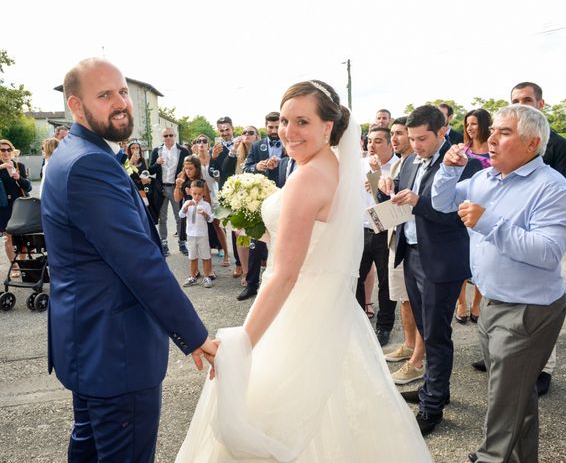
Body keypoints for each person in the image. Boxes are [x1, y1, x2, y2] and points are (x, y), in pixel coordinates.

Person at [176, 80, 432, 462]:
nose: (288, 132)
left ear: (328, 127)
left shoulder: (308, 177)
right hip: (329, 310)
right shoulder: (331, 166)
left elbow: (285, 273)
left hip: (296, 312)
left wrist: (243, 345)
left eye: (302, 122)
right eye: (283, 121)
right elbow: (315, 235)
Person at [41, 58, 217, 462]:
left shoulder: (74, 152)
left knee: (87, 447)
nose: (120, 102)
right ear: (76, 105)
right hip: (114, 347)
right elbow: (140, 262)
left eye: (122, 92)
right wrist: (195, 335)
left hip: (87, 341)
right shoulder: (89, 163)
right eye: (104, 95)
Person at [432, 104, 566, 463]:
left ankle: (490, 457)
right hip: (493, 304)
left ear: (532, 143)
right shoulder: (484, 178)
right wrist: (448, 170)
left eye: (504, 132)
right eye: (492, 131)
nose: (490, 139)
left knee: (502, 402)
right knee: (518, 399)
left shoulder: (552, 188)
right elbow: (443, 202)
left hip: (528, 310)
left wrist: (488, 222)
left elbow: (547, 252)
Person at [378, 105, 483, 435]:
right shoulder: (409, 160)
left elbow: (455, 215)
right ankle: (436, 390)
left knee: (437, 334)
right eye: (411, 138)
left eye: (422, 138)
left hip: (442, 260)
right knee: (425, 328)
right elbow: (404, 200)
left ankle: (432, 406)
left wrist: (416, 202)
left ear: (442, 131)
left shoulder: (462, 164)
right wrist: (389, 191)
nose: (415, 144)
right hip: (412, 255)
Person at [383, 117, 426, 386]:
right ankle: (409, 345)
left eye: (401, 133)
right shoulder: (406, 162)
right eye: (395, 134)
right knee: (405, 298)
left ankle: (418, 360)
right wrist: (383, 187)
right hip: (399, 238)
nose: (397, 138)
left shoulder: (424, 161)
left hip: (421, 243)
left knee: (421, 303)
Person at [356, 126, 399, 346]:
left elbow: (395, 201)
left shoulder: (398, 166)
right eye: (369, 141)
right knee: (356, 278)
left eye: (378, 141)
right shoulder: (359, 165)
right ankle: (358, 322)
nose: (371, 145)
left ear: (390, 144)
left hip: (386, 231)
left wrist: (378, 175)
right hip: (362, 229)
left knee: (386, 282)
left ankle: (384, 326)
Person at [237, 112, 282, 301]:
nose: (273, 131)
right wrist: (258, 167)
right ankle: (252, 284)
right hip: (261, 200)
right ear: (265, 126)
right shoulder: (256, 146)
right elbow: (246, 168)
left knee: (281, 243)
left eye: (277, 127)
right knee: (255, 243)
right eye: (270, 127)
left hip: (284, 198)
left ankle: (282, 285)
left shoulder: (291, 145)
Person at [455, 108, 493, 325]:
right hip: (463, 207)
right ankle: (461, 302)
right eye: (467, 124)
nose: (470, 128)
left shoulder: (494, 148)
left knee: (482, 257)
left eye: (475, 123)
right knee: (463, 259)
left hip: (485, 210)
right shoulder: (463, 150)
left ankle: (476, 302)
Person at [0, 139, 32, 278]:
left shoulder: (19, 165)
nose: (6, 152)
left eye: (8, 150)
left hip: (20, 206)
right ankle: (14, 265)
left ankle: (22, 264)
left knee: (24, 239)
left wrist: (19, 178)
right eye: (2, 150)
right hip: (4, 206)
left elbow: (28, 187)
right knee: (9, 238)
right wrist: (0, 169)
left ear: (12, 151)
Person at [221, 125, 260, 284]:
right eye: (244, 132)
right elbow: (224, 171)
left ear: (257, 136)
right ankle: (246, 272)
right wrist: (233, 150)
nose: (247, 135)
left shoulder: (261, 152)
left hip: (259, 198)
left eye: (251, 132)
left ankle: (262, 269)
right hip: (240, 199)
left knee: (260, 239)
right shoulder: (237, 154)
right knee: (241, 236)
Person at [149, 127, 190, 256]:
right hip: (161, 188)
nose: (168, 138)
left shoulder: (183, 151)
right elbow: (150, 170)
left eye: (170, 135)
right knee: (163, 217)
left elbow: (189, 168)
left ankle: (182, 243)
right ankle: (164, 243)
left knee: (179, 217)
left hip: (176, 187)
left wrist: (183, 175)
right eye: (165, 136)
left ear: (175, 136)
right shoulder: (157, 150)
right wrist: (156, 163)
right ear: (162, 137)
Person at [192, 134, 230, 267]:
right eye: (198, 141)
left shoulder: (213, 157)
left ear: (208, 144)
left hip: (214, 195)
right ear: (195, 144)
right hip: (200, 197)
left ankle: (226, 254)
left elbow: (222, 177)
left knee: (218, 226)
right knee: (201, 226)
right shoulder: (193, 159)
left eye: (204, 141)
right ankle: (204, 256)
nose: (201, 143)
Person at [179, 180, 215, 288]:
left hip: (202, 234)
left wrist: (204, 214)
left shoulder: (206, 205)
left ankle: (207, 277)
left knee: (205, 256)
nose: (197, 196)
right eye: (194, 194)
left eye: (199, 194)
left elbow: (210, 220)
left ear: (203, 193)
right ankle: (193, 277)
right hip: (190, 234)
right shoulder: (187, 203)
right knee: (192, 256)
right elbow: (181, 215)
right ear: (190, 192)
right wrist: (185, 207)